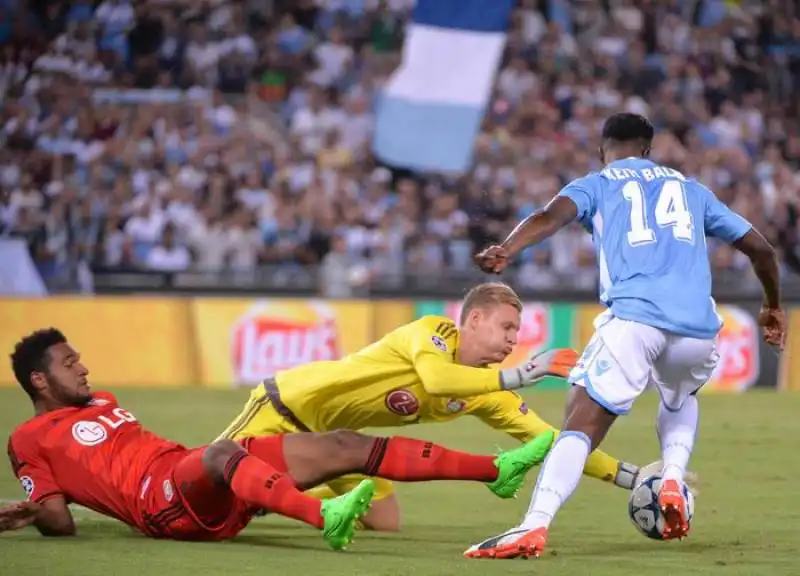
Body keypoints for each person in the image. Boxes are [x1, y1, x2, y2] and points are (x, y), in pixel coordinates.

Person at [466, 112, 786, 559]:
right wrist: (772, 306)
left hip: (635, 318)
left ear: (603, 150)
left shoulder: (597, 183)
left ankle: (532, 526)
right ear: (648, 150)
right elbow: (762, 250)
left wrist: (507, 249)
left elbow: (548, 217)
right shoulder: (693, 191)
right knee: (679, 397)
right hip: (697, 327)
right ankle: (672, 476)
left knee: (582, 418)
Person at [0, 328, 555, 546]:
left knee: (341, 444)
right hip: (160, 505)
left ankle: (495, 472)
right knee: (223, 452)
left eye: (80, 357)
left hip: (183, 471)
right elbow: (58, 521)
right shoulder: (28, 439)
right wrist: (31, 509)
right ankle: (325, 518)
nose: (85, 368)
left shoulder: (102, 403)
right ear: (39, 381)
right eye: (71, 364)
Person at [218, 281, 677, 532]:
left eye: (518, 332)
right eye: (507, 327)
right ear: (473, 319)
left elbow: (550, 440)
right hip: (287, 408)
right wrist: (523, 374)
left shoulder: (486, 390)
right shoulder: (433, 333)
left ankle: (284, 493)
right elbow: (437, 381)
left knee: (385, 521)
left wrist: (630, 475)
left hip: (345, 445)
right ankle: (280, 490)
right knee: (209, 485)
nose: (514, 340)